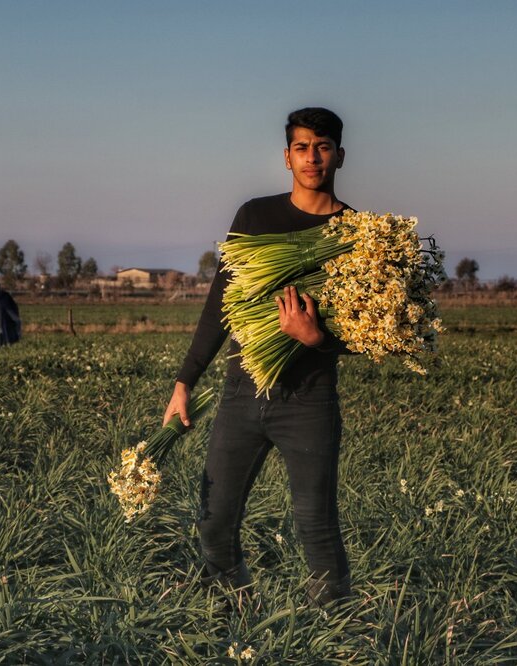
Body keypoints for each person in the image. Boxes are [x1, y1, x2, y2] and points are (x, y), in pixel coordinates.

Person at [163, 107, 353, 607]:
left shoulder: (357, 234)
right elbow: (219, 303)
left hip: (308, 399)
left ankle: (335, 639)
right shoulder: (254, 217)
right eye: (302, 147)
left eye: (323, 146)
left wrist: (317, 339)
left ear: (340, 155)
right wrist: (185, 381)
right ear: (287, 157)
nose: (312, 157)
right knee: (212, 523)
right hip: (241, 392)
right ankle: (243, 621)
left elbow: (367, 334)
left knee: (317, 532)